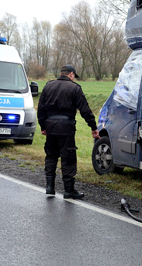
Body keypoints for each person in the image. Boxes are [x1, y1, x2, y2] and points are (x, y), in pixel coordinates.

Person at [37, 65, 100, 199]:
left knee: (51, 156)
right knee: (68, 157)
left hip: (51, 127)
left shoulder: (48, 86)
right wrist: (93, 127)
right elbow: (85, 110)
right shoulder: (75, 88)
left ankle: (50, 187)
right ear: (71, 74)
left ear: (61, 73)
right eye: (73, 76)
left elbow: (41, 109)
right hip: (66, 127)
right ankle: (68, 190)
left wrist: (43, 126)